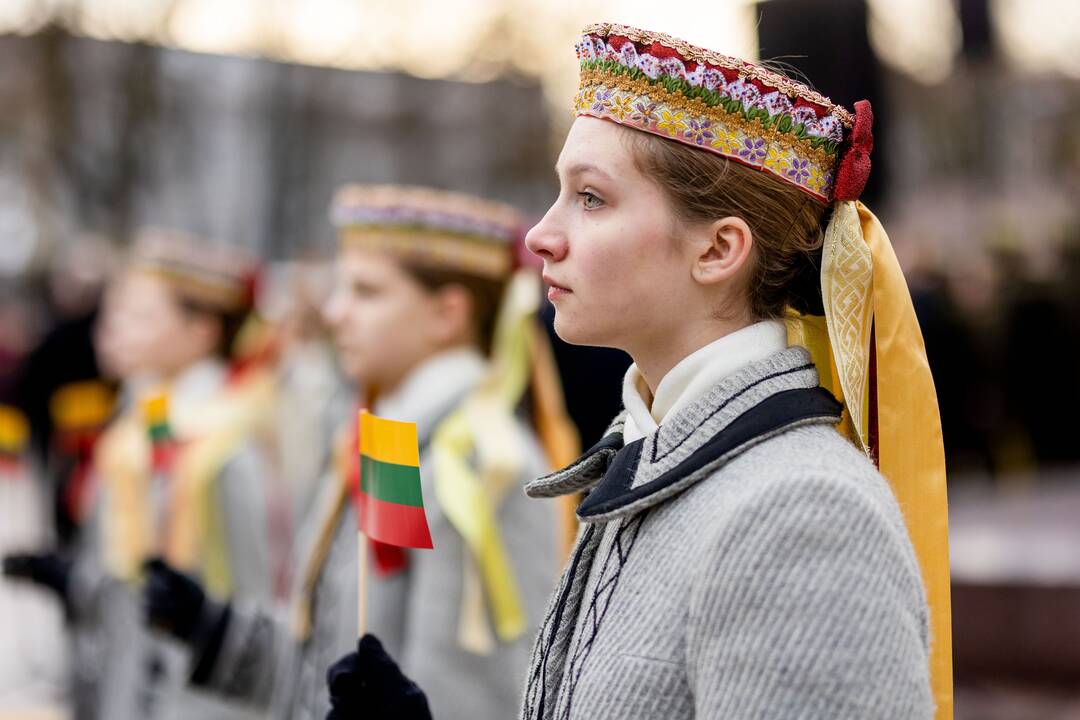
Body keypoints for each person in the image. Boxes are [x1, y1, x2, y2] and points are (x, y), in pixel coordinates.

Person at [324, 22, 953, 720]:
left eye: (590, 198)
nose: (540, 235)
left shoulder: (800, 512)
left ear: (718, 250)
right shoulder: (651, 464)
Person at [143, 185, 571, 720]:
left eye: (366, 292)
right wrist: (213, 629)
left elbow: (468, 699)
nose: (334, 311)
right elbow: (327, 660)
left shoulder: (479, 469)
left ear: (448, 313)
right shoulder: (386, 449)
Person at [3, 229, 278, 720]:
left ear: (202, 331)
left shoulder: (227, 445)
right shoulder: (142, 426)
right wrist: (74, 581)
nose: (110, 330)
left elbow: (252, 625)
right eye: (113, 313)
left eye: (138, 316)